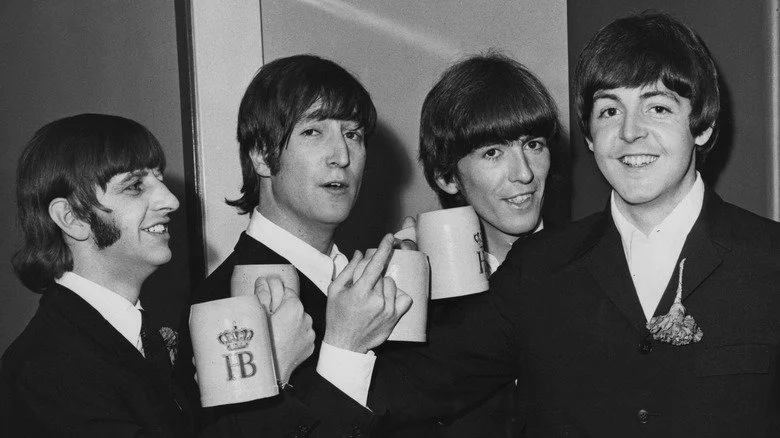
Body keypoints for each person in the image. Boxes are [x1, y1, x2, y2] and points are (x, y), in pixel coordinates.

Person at [369, 12, 780, 437]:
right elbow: (406, 392)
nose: (630, 132)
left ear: (703, 125)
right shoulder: (537, 269)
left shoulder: (771, 261)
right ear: (588, 135)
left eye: (657, 107)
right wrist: (343, 338)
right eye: (608, 111)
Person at [0, 114, 316, 437]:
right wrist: (268, 369)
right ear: (71, 218)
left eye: (159, 179)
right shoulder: (45, 373)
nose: (171, 200)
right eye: (135, 186)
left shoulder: (138, 337)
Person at [176, 54, 411, 437]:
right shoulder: (222, 305)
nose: (342, 157)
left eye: (352, 134)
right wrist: (344, 350)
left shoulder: (369, 281)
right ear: (262, 156)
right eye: (313, 132)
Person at [383, 53, 562, 437]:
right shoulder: (418, 295)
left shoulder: (587, 265)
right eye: (493, 153)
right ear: (448, 178)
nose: (524, 173)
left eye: (533, 144)